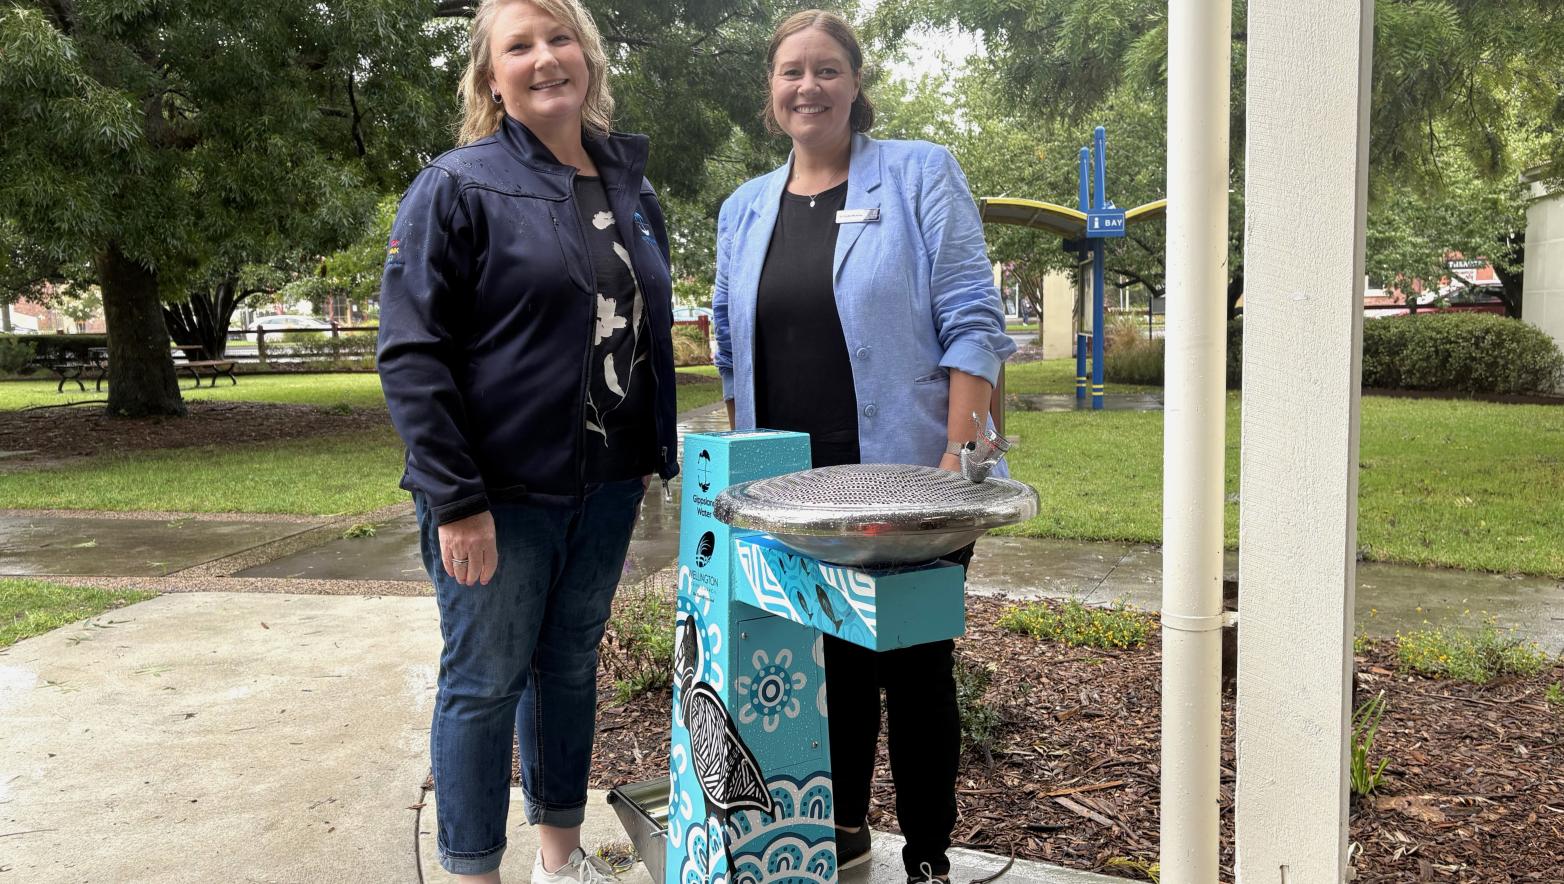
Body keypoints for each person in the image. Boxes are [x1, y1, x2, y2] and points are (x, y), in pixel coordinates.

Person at [375, 1, 678, 881]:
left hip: (609, 483)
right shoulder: (456, 185)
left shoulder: (629, 184)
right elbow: (410, 352)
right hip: (497, 497)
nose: (546, 58)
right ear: (490, 75)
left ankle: (560, 860)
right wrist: (457, 500)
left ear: (587, 57)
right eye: (520, 46)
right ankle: (474, 872)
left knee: (569, 669)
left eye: (560, 39)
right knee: (483, 685)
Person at [712, 10, 1015, 884]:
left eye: (827, 69)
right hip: (794, 492)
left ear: (855, 83)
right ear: (772, 93)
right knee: (823, 664)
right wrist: (746, 464)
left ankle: (926, 856)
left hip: (910, 486)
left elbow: (972, 322)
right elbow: (733, 352)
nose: (808, 85)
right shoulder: (744, 210)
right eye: (790, 72)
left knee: (915, 670)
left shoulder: (920, 175)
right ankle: (836, 835)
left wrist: (955, 473)